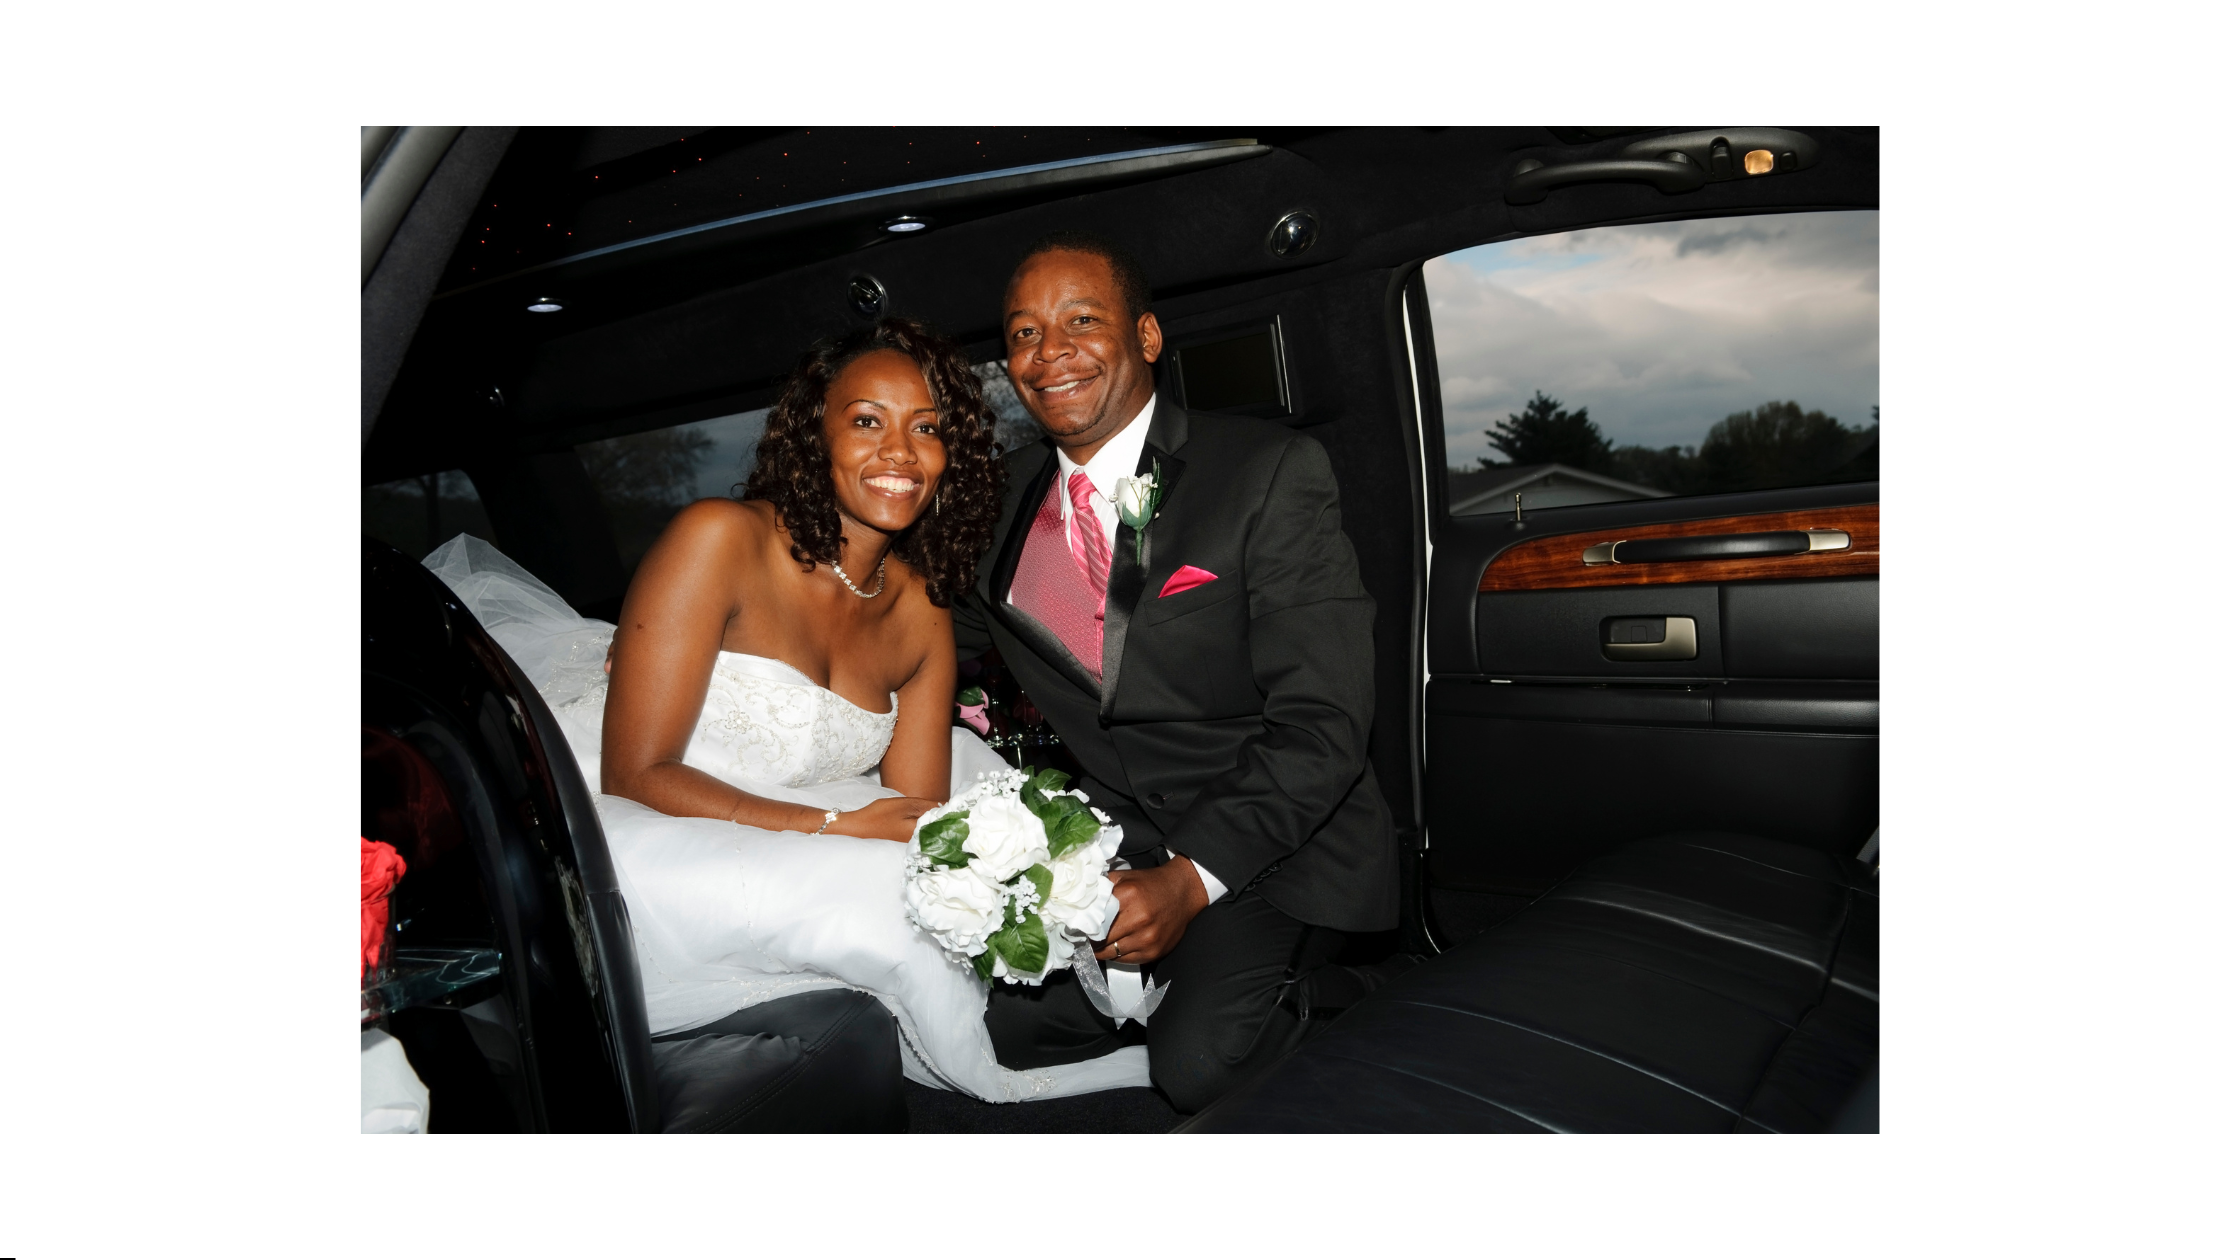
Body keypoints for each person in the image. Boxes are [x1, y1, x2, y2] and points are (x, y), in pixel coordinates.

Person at [426, 317, 1151, 1103]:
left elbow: (915, 809)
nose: (900, 453)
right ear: (815, 437)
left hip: (793, 812)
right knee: (879, 898)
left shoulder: (920, 611)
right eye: (867, 421)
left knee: (970, 844)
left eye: (927, 429)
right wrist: (835, 825)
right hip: (633, 816)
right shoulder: (719, 540)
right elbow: (638, 773)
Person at [953, 231, 1409, 1112]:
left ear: (1148, 336)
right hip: (1114, 835)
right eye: (1024, 334)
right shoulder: (994, 505)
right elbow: (914, 629)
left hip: (1278, 839)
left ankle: (1374, 993)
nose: (1050, 352)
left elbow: (1324, 725)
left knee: (1199, 1067)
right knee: (998, 1032)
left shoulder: (1266, 473)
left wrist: (1190, 878)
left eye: (1082, 321)